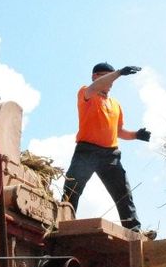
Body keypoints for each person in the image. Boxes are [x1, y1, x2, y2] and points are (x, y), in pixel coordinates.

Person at [63, 62, 151, 232]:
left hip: (110, 155)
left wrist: (136, 135)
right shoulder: (86, 93)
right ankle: (63, 222)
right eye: (107, 79)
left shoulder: (115, 104)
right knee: (72, 190)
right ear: (95, 77)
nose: (111, 84)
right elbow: (96, 87)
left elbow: (118, 131)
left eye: (112, 81)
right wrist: (118, 73)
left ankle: (134, 229)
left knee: (123, 194)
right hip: (86, 151)